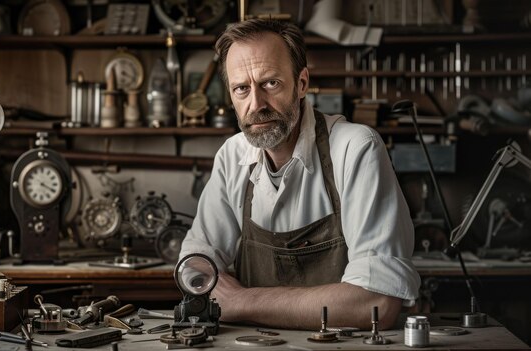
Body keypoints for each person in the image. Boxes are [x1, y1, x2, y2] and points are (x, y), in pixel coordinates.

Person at [179, 19, 420, 331]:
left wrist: (241, 301)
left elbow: (377, 303)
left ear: (302, 82)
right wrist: (201, 275)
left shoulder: (355, 149)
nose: (256, 105)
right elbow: (196, 264)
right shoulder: (232, 155)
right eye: (242, 89)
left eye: (270, 84)